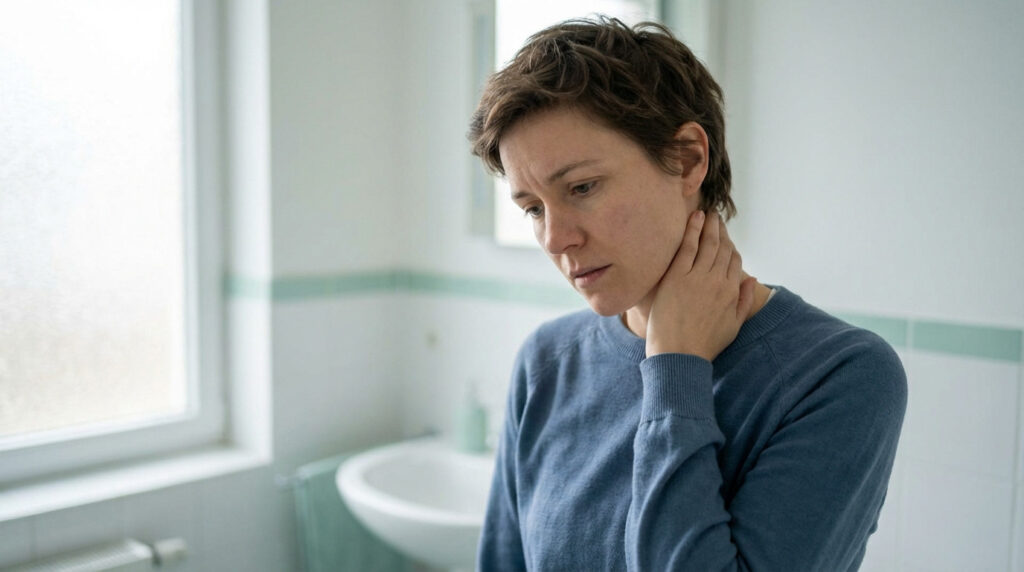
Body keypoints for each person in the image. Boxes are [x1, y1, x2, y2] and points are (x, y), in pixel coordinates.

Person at [467, 16, 907, 572]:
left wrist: (676, 368)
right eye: (533, 208)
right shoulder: (546, 361)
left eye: (581, 187)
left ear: (687, 159)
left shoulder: (840, 375)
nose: (555, 239)